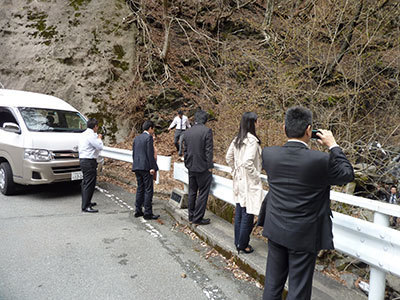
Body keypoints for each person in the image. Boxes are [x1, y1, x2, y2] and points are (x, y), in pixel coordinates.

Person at [258, 106, 354, 300]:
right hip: (304, 234)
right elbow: (347, 174)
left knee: (272, 284)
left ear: (283, 128)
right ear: (309, 130)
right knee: (299, 290)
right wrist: (333, 145)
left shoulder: (268, 154)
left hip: (275, 227)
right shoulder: (320, 160)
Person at [226, 112, 263, 254]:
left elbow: (229, 157)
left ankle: (238, 242)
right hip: (249, 182)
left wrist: (235, 170)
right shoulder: (252, 141)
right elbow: (248, 162)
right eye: (257, 121)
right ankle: (243, 244)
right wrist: (256, 176)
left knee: (240, 211)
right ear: (252, 123)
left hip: (239, 180)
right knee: (248, 213)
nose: (258, 124)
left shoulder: (237, 139)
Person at [183, 110, 213, 225]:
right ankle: (198, 218)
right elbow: (208, 151)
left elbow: (185, 151)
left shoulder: (188, 132)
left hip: (191, 166)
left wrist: (187, 163)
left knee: (192, 191)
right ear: (205, 120)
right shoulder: (207, 131)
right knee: (203, 192)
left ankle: (191, 216)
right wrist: (209, 166)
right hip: (202, 167)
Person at [132, 120, 159, 220]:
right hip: (146, 167)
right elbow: (150, 154)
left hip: (137, 166)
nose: (153, 131)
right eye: (153, 129)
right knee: (148, 189)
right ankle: (148, 212)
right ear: (150, 128)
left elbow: (134, 153)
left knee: (140, 188)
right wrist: (152, 167)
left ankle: (138, 210)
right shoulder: (149, 138)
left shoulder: (137, 138)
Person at [78, 118, 104, 213]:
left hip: (83, 159)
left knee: (86, 182)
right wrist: (99, 138)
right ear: (95, 126)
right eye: (97, 126)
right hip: (89, 161)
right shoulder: (91, 135)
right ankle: (86, 206)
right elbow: (100, 146)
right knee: (89, 183)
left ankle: (87, 201)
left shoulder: (83, 134)